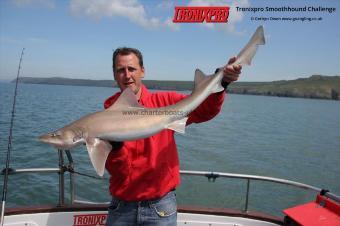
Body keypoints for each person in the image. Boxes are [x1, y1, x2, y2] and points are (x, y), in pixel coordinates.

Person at [104, 47, 241, 226]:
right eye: (121, 70)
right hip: (122, 206)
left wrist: (221, 82)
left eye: (132, 69)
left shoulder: (166, 102)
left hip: (160, 206)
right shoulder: (109, 113)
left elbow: (204, 110)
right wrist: (115, 148)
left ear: (142, 71)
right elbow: (116, 170)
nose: (127, 75)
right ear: (114, 74)